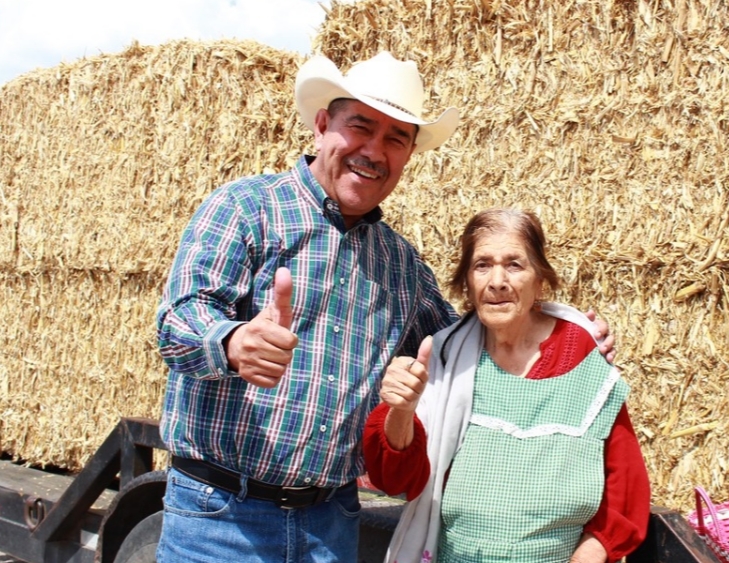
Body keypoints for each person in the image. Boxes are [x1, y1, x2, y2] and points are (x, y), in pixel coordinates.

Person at [155, 52, 617, 563]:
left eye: (396, 137)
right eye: (361, 127)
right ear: (323, 125)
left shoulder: (399, 263)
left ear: (409, 155)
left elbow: (471, 337)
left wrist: (561, 328)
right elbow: (179, 319)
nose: (374, 150)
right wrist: (233, 341)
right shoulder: (247, 207)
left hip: (330, 524)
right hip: (221, 518)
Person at [363, 208, 650, 563]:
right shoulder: (445, 359)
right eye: (482, 265)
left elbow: (624, 490)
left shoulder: (584, 362)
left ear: (540, 280)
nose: (497, 280)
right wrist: (402, 411)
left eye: (514, 265)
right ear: (466, 282)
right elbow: (396, 480)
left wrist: (588, 556)